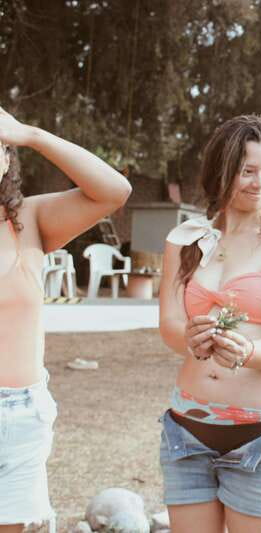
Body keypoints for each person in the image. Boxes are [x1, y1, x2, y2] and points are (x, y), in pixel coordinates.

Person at [158, 115, 261, 533]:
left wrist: (249, 351)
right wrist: (188, 338)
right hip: (187, 431)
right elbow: (170, 323)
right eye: (248, 171)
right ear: (222, 171)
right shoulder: (186, 238)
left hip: (260, 437)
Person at [0, 106, 131, 533]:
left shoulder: (30, 220)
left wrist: (32, 132)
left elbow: (113, 191)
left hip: (22, 417)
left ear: (7, 158)